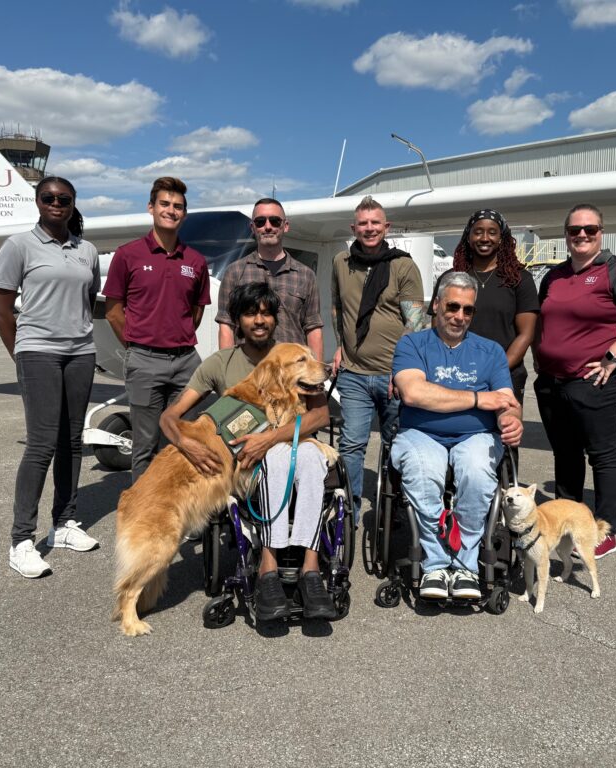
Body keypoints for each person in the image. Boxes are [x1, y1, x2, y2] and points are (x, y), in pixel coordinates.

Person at [159, 282, 337, 620]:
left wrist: (271, 437)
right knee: (280, 457)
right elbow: (170, 416)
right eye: (251, 313)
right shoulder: (220, 364)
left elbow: (321, 413)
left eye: (267, 314)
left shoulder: (288, 352)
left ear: (274, 320)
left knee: (310, 457)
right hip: (247, 466)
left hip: (287, 451)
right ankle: (267, 567)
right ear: (237, 321)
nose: (259, 320)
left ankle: (310, 570)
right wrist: (187, 446)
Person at [534, 203, 616, 560]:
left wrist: (614, 355)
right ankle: (568, 522)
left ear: (601, 232)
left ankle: (604, 531)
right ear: (566, 234)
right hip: (552, 382)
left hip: (594, 380)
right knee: (566, 454)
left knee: (603, 456)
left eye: (589, 229)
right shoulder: (555, 275)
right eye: (575, 230)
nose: (582, 235)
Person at [0, 176, 101, 578]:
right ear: (38, 202)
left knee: (72, 441)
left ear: (73, 203)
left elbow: (88, 302)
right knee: (41, 444)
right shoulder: (19, 246)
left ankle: (64, 523)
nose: (56, 203)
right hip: (37, 351)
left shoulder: (87, 250)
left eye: (64, 198)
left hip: (80, 352)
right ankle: (21, 540)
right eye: (48, 197)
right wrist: (21, 354)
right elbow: (2, 309)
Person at [390, 271, 522, 600]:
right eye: (452, 307)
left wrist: (511, 419)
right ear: (436, 305)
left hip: (476, 436)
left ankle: (465, 566)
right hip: (421, 432)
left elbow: (507, 401)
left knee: (477, 473)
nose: (459, 316)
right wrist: (478, 399)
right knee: (424, 471)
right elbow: (413, 393)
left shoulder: (490, 351)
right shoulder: (412, 344)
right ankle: (435, 564)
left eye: (468, 310)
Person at [103, 176, 211, 482]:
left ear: (184, 214)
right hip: (144, 360)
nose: (171, 210)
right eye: (164, 204)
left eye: (178, 206)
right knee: (145, 447)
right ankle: (144, 519)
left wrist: (176, 336)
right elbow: (113, 311)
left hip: (186, 361)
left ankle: (180, 515)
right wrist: (139, 346)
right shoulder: (128, 255)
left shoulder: (196, 261)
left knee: (184, 442)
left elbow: (197, 309)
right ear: (151, 208)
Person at [331, 195, 424, 518]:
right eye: (363, 223)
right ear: (354, 227)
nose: (369, 229)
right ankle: (349, 510)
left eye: (375, 223)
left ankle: (391, 506)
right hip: (354, 373)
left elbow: (415, 321)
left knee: (395, 444)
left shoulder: (403, 265)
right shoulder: (341, 263)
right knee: (351, 445)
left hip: (392, 374)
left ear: (386, 227)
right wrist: (341, 345)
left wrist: (403, 371)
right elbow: (338, 308)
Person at [430, 208, 539, 407]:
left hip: (504, 375)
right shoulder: (451, 278)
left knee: (503, 436)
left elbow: (526, 335)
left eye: (492, 232)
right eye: (478, 231)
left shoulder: (519, 279)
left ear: (502, 238)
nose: (484, 238)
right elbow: (437, 328)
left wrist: (494, 370)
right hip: (456, 374)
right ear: (468, 236)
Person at [215, 197, 323, 361]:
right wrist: (227, 372)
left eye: (274, 221)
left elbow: (313, 328)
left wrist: (315, 375)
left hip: (292, 371)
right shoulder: (234, 272)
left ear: (285, 226)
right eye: (260, 222)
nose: (267, 227)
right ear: (252, 227)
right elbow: (226, 326)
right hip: (249, 371)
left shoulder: (306, 275)